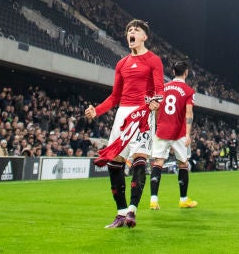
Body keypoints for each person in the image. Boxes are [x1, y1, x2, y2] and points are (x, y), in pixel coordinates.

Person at [84, 19, 164, 229]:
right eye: (129, 30)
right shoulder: (122, 64)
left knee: (139, 158)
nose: (131, 32)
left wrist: (156, 102)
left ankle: (132, 210)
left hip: (143, 113)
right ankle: (120, 213)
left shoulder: (154, 60)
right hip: (123, 115)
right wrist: (97, 110)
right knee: (114, 163)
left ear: (144, 37)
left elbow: (159, 90)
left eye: (136, 30)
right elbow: (114, 97)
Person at [148, 60, 197, 210]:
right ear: (186, 73)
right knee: (183, 163)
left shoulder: (163, 87)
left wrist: (158, 125)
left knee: (158, 163)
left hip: (162, 130)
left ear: (173, 72)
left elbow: (156, 109)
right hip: (179, 132)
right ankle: (183, 200)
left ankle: (153, 200)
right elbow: (189, 113)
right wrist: (188, 134)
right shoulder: (189, 91)